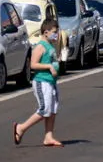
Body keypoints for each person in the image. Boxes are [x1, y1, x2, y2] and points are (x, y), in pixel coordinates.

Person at [13, 18, 63, 147]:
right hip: (42, 82)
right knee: (44, 108)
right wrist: (49, 67)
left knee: (52, 109)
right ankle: (21, 128)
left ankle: (48, 136)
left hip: (52, 82)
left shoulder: (50, 45)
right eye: (54, 32)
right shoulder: (40, 46)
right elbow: (33, 65)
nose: (56, 34)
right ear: (46, 32)